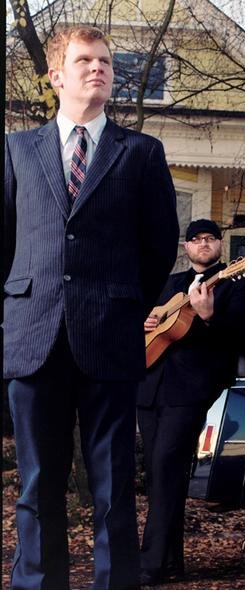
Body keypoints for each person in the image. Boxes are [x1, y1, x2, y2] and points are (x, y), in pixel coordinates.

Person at [4, 26, 179, 590]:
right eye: (84, 60)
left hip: (110, 335)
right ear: (56, 75)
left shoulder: (141, 152)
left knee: (113, 485)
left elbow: (159, 246)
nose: (98, 68)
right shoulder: (16, 150)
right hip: (34, 335)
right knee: (37, 486)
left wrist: (123, 304)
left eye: (105, 60)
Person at [137, 219, 245, 586]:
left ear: (220, 245)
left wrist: (208, 317)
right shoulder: (170, 284)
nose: (203, 244)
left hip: (191, 389)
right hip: (151, 385)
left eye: (210, 238)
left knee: (166, 465)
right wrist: (146, 322)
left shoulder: (239, 284)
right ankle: (171, 563)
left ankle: (149, 564)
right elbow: (147, 321)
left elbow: (239, 337)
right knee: (159, 473)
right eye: (195, 239)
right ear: (186, 247)